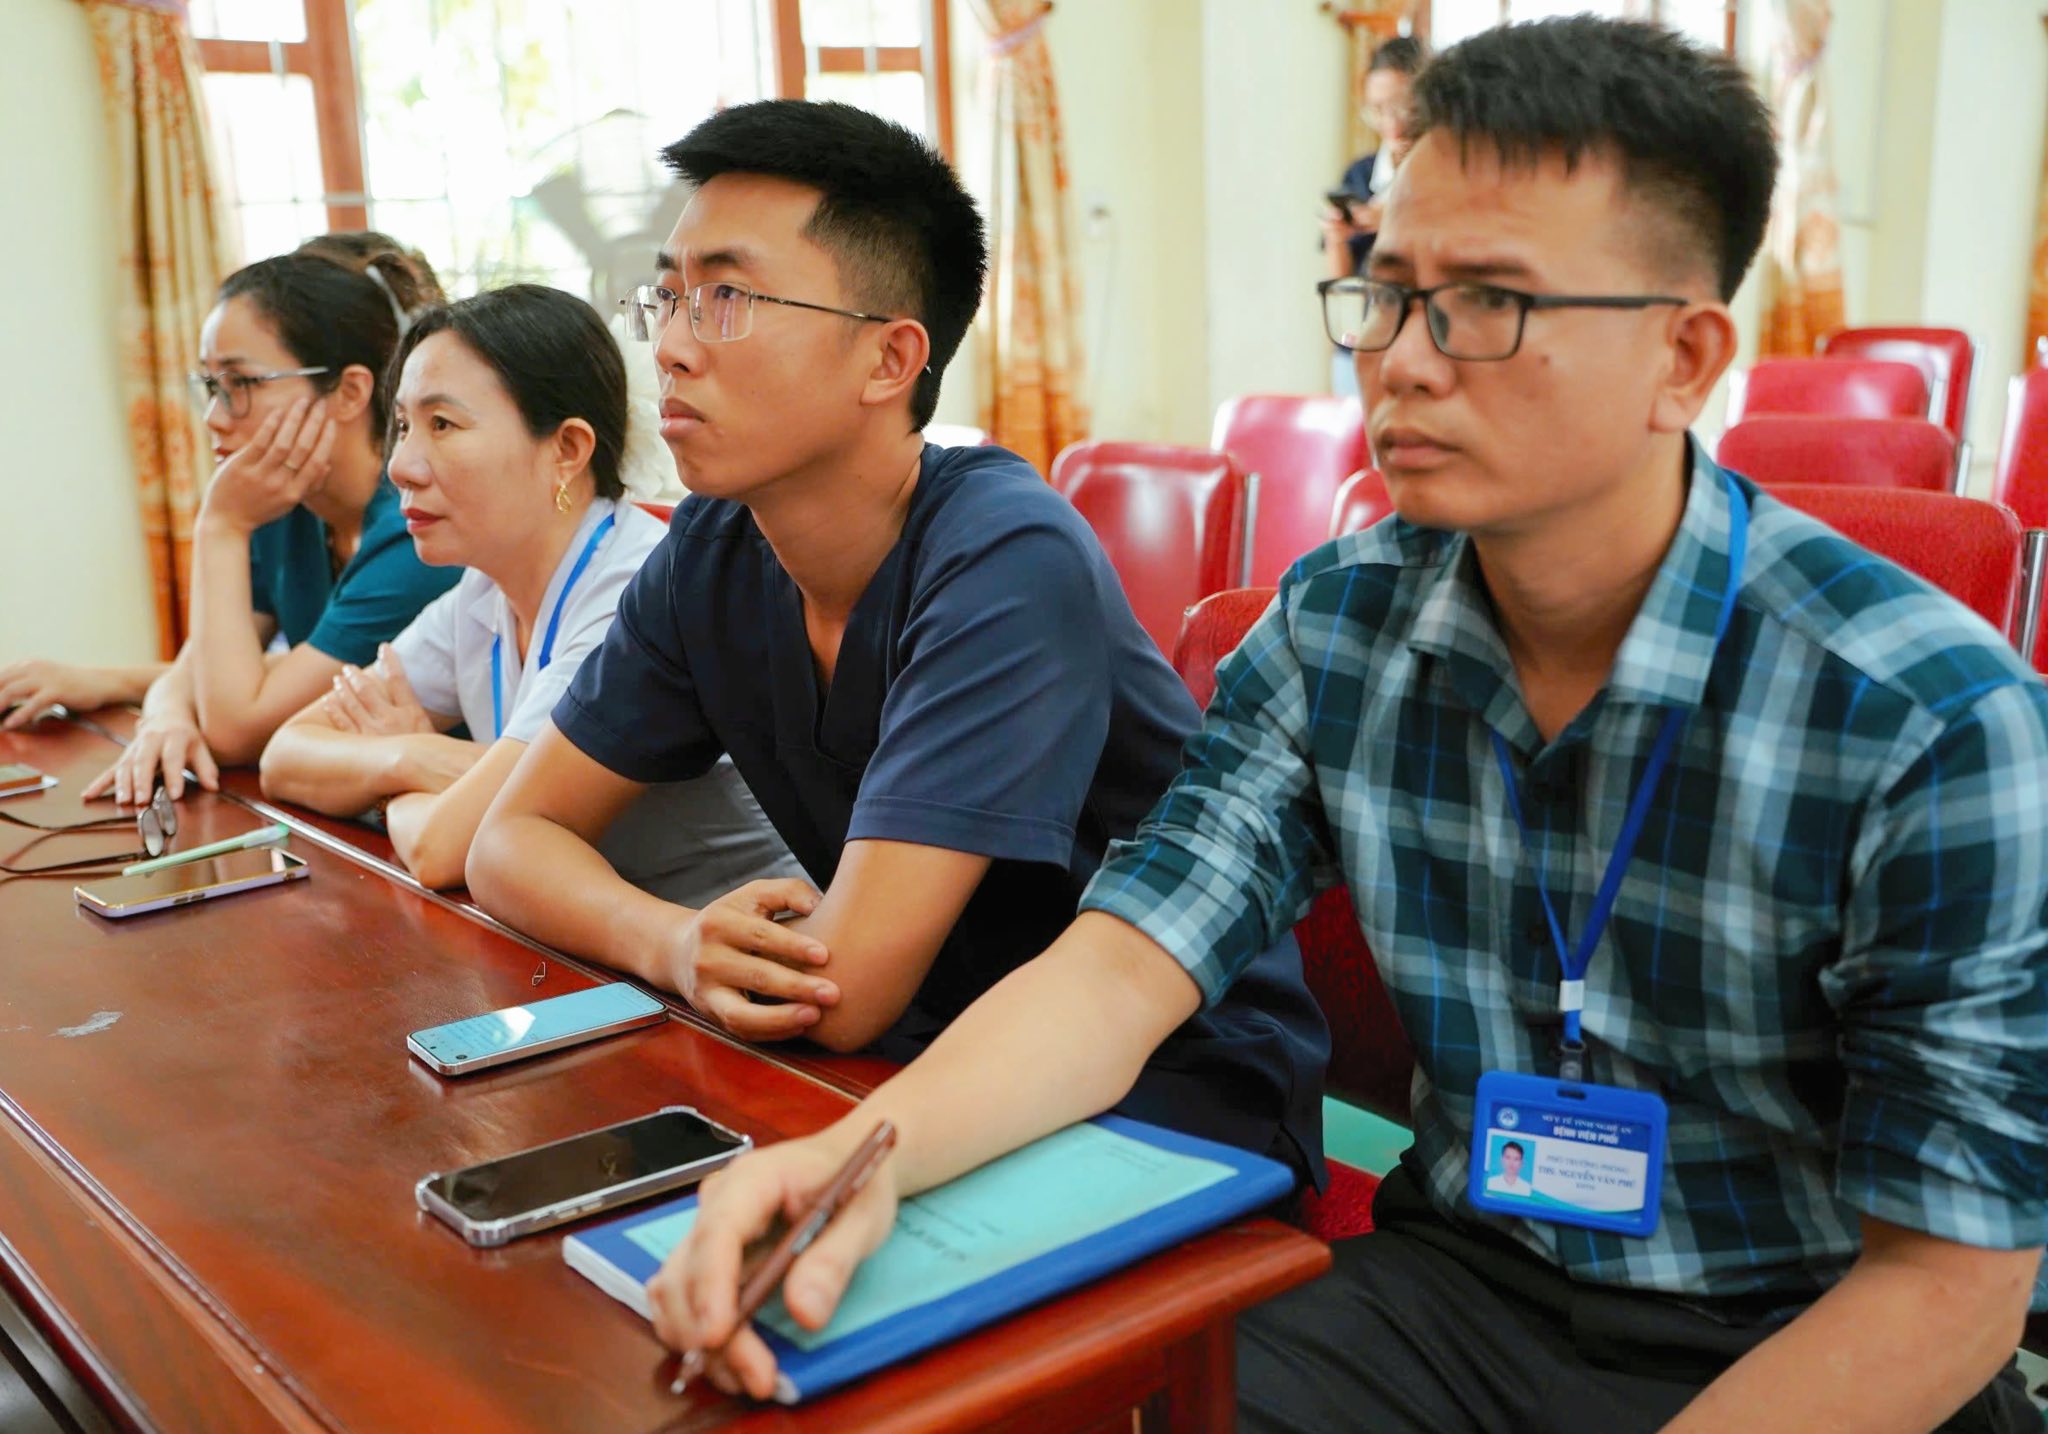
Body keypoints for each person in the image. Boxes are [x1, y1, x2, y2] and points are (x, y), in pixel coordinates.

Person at [652, 20, 2048, 1434]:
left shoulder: (1926, 717)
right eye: (1385, 292)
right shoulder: (1340, 627)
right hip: (1465, 1296)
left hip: (1812, 1329)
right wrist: (859, 1159)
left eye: (1487, 303)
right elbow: (1123, 968)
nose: (1405, 362)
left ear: (1682, 357)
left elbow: (1947, 1286)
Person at [466, 100, 1327, 1181]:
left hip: (1163, 1092)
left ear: (888, 358)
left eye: (726, 298)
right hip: (909, 1064)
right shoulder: (708, 553)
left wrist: (712, 951)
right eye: (669, 296)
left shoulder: (1005, 554)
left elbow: (841, 989)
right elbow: (507, 843)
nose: (672, 347)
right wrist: (671, 941)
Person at [258, 284, 797, 899]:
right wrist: (413, 757)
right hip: (572, 932)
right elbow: (286, 754)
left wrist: (400, 787)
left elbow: (444, 850)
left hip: (749, 935)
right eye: (403, 426)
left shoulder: (633, 589)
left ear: (567, 449)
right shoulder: (482, 589)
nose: (400, 465)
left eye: (442, 423)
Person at [0, 234, 457, 809]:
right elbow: (202, 670)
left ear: (349, 391)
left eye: (242, 383)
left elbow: (236, 728)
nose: (215, 417)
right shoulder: (285, 502)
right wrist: (163, 714)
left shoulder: (413, 534)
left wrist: (219, 527)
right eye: (212, 386)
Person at [1322, 36, 1426, 397]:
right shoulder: (1361, 174)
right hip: (1361, 343)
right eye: (1377, 109)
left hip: (1422, 341)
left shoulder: (1444, 175)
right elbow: (1341, 283)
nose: (1389, 122)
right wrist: (1336, 237)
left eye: (1400, 107)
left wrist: (1394, 221)